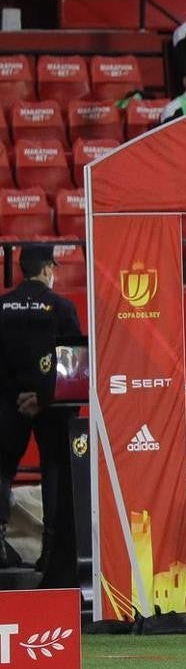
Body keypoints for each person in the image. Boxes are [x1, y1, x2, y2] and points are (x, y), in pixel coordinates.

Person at [0, 245, 81, 585]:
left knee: (1, 468)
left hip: (6, 402)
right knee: (56, 470)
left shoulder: (2, 307)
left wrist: (14, 396)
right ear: (48, 268)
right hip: (51, 404)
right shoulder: (62, 307)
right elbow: (74, 361)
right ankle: (53, 554)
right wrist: (44, 398)